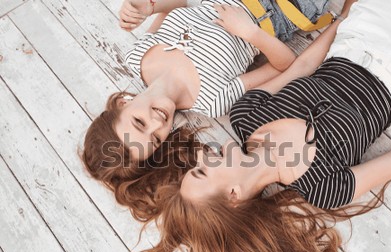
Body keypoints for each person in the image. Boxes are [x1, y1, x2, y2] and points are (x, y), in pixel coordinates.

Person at [131, 0, 391, 252]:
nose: (203, 157)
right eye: (201, 171)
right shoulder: (323, 187)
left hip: (361, 35)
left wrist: (345, 16)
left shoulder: (246, 116)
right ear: (232, 195)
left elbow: (304, 65)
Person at [82, 0, 350, 221]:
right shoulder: (211, 100)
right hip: (285, 8)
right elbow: (285, 65)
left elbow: (182, 4)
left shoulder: (137, 55)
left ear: (122, 104)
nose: (156, 123)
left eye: (139, 122)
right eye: (155, 139)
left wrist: (150, 8)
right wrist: (251, 34)